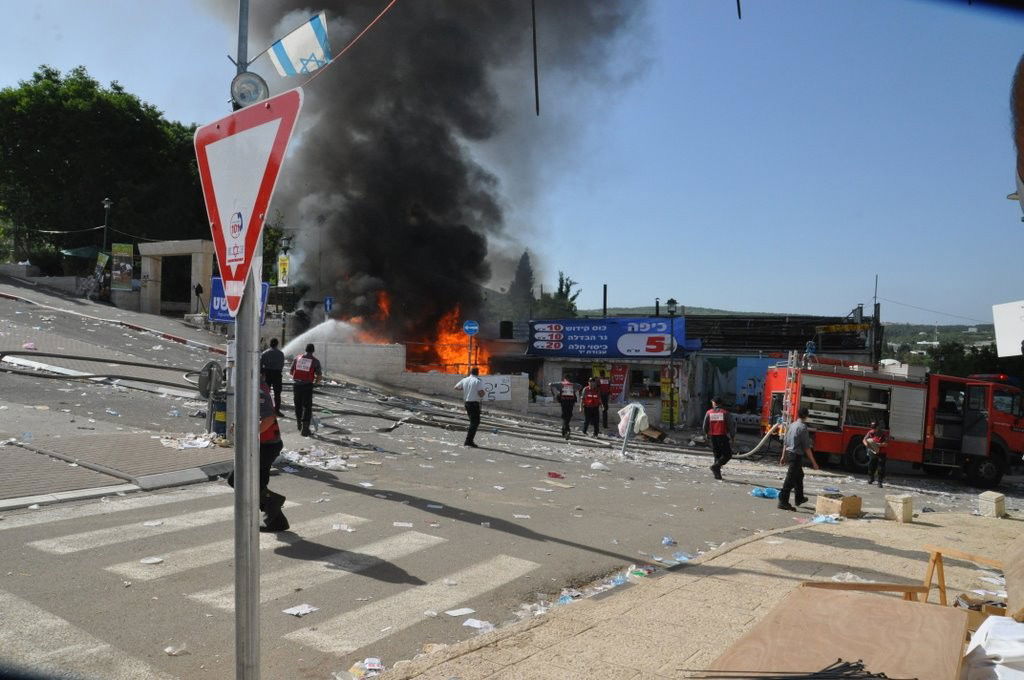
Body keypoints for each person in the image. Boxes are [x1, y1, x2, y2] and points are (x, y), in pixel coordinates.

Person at [227, 370, 289, 532]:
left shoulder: (258, 391)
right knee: (259, 484)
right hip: (265, 444)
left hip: (265, 446)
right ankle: (278, 521)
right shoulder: (253, 388)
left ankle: (273, 501)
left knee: (236, 480)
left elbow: (268, 418)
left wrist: (248, 434)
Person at [778, 407, 819, 510]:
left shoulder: (792, 425)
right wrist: (814, 462)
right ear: (806, 416)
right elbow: (806, 447)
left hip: (791, 454)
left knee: (799, 475)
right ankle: (783, 502)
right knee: (790, 479)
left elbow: (785, 442)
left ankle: (799, 498)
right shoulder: (803, 427)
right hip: (796, 456)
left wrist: (783, 456)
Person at [289, 343, 322, 437]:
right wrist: (315, 383)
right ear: (313, 351)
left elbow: (291, 372)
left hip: (297, 385)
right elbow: (319, 375)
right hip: (307, 386)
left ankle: (299, 423)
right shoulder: (315, 361)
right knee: (307, 407)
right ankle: (305, 428)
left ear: (305, 349)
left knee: (297, 405)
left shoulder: (297, 358)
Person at [703, 396, 736, 480]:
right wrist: (732, 436)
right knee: (727, 455)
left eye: (712, 403)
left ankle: (717, 475)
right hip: (722, 436)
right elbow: (731, 426)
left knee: (717, 455)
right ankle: (715, 466)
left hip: (713, 436)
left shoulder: (709, 412)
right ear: (720, 404)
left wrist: (706, 433)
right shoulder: (725, 413)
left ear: (714, 403)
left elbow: (705, 426)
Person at [454, 367, 486, 448]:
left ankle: (469, 440)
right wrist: (483, 394)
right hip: (474, 404)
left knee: (474, 422)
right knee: (475, 422)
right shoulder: (478, 381)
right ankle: (468, 441)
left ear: (470, 372)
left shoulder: (465, 379)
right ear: (477, 373)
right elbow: (481, 393)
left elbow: (456, 387)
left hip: (467, 403)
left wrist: (466, 389)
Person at [260, 337, 285, 416]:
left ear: (270, 344)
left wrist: (263, 373)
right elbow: (282, 365)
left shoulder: (264, 353)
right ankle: (277, 410)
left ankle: (266, 409)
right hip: (277, 374)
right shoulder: (281, 353)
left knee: (266, 393)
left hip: (267, 374)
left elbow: (260, 366)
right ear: (277, 344)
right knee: (277, 393)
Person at [864, 421, 889, 488]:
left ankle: (880, 482)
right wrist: (867, 445)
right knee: (871, 465)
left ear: (878, 427)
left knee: (881, 467)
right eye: (872, 427)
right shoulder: (870, 432)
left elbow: (886, 444)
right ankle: (871, 478)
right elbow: (864, 439)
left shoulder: (883, 434)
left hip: (881, 452)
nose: (873, 429)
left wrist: (878, 445)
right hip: (873, 451)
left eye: (875, 428)